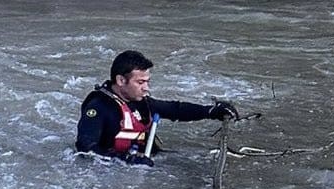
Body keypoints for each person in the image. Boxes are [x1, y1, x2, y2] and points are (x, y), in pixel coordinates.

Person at [76, 49, 238, 165]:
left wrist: (210, 111)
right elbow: (85, 148)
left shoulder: (141, 102)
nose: (146, 88)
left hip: (144, 160)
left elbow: (175, 109)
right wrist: (124, 160)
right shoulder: (98, 107)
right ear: (120, 81)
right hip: (114, 170)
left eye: (147, 82)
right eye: (140, 82)